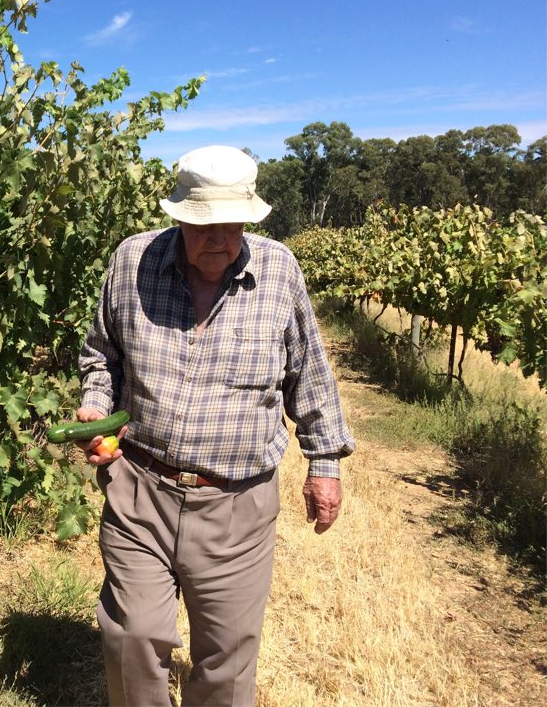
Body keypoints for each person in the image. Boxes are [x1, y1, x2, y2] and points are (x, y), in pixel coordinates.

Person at [74, 144, 355, 706]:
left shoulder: (279, 273)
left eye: (233, 225)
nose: (220, 239)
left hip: (236, 506)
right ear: (178, 215)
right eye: (205, 226)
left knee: (225, 661)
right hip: (141, 492)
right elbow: (101, 355)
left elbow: (311, 375)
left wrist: (323, 466)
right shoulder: (133, 262)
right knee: (130, 636)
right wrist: (95, 404)